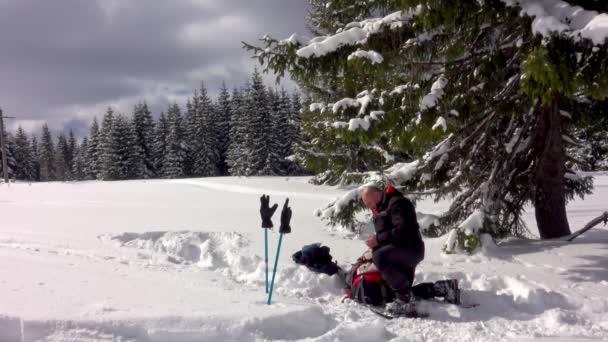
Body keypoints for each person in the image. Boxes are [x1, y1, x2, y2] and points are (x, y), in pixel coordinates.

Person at [361, 185, 460, 315]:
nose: (369, 207)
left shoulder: (397, 203)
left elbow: (403, 231)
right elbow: (388, 235)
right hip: (400, 251)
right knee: (401, 291)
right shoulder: (381, 208)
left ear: (375, 195)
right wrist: (375, 247)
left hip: (411, 249)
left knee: (381, 258)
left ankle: (405, 301)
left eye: (369, 203)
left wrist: (378, 240)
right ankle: (446, 288)